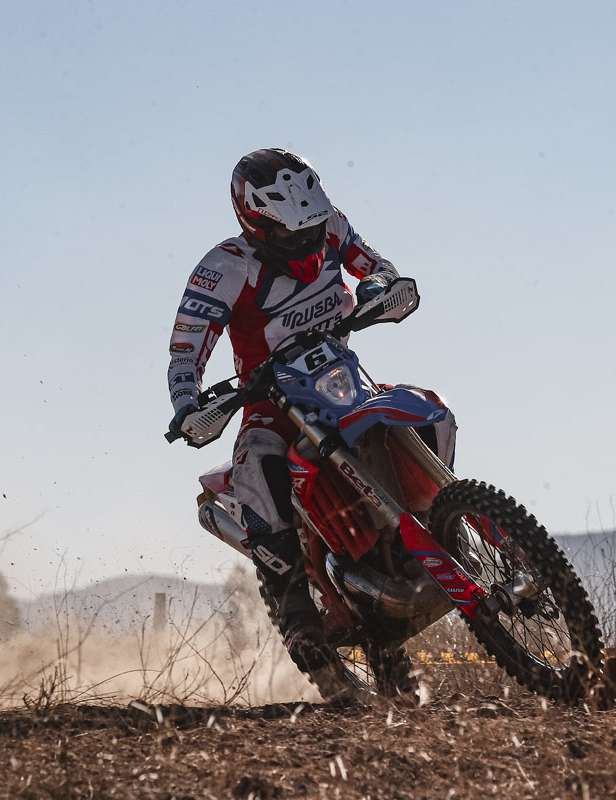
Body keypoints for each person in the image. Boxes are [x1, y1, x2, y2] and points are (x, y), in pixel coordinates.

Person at [165, 148, 455, 671]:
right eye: (290, 233)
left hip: (343, 377)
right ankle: (299, 615)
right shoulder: (223, 268)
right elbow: (187, 350)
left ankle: (445, 518)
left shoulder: (331, 225)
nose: (306, 240)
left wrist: (382, 287)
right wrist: (188, 403)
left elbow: (375, 267)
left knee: (430, 409)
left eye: (313, 227)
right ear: (256, 223)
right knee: (258, 471)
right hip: (270, 401)